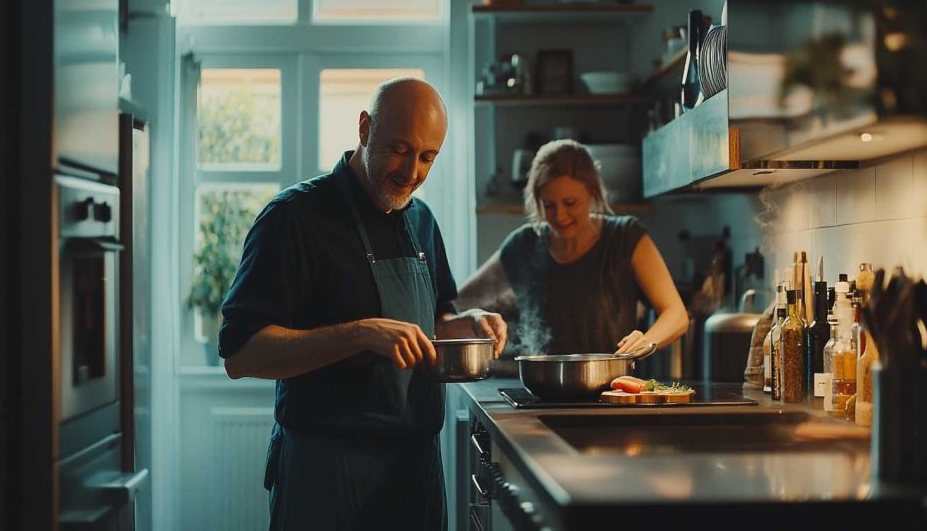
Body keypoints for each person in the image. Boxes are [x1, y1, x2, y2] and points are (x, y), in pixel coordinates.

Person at [218, 77, 507, 531]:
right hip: (327, 474)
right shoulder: (293, 219)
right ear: (365, 129)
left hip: (415, 472)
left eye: (428, 156)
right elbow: (240, 355)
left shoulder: (421, 219)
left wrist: (467, 324)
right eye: (400, 149)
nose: (412, 172)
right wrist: (359, 333)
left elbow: (436, 321)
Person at [457, 139, 687, 359]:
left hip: (613, 391)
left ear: (592, 192)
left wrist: (646, 342)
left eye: (570, 203)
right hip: (540, 390)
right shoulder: (523, 245)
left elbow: (676, 314)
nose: (560, 215)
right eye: (549, 205)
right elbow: (458, 303)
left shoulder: (624, 238)